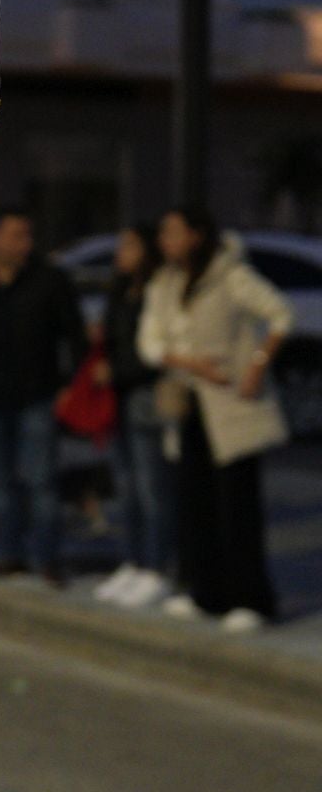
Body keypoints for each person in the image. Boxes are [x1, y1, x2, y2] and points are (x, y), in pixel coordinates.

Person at [138, 208, 291, 632]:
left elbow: (280, 313)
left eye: (174, 231)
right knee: (195, 500)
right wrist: (190, 363)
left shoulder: (230, 275)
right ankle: (206, 592)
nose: (166, 240)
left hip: (232, 405)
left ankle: (252, 598)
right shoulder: (166, 282)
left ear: (197, 235)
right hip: (189, 401)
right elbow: (150, 343)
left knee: (237, 504)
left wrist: (257, 363)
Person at [0, 209, 85, 584]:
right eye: (14, 235)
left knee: (41, 479)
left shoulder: (49, 280)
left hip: (37, 393)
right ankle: (7, 551)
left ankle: (47, 558)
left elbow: (72, 335)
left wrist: (67, 385)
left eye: (27, 235)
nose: (23, 243)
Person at [93, 225, 173, 609]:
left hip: (144, 394)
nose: (121, 252)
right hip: (120, 396)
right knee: (127, 486)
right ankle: (135, 560)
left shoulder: (158, 290)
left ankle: (156, 567)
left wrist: (119, 370)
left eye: (129, 245)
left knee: (150, 487)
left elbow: (156, 350)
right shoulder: (121, 290)